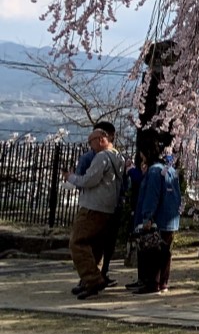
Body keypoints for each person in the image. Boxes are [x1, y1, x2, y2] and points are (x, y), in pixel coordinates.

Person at [65, 126, 125, 299]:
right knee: (95, 244)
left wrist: (71, 177)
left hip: (93, 207)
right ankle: (89, 280)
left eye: (91, 142)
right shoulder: (118, 157)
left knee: (77, 242)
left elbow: (89, 180)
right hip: (109, 208)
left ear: (101, 139)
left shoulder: (102, 157)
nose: (90, 146)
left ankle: (92, 279)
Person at [133, 143, 182, 294]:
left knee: (153, 250)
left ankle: (152, 284)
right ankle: (163, 283)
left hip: (158, 218)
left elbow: (152, 196)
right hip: (171, 218)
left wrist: (147, 216)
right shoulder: (170, 170)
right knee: (165, 252)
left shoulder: (154, 171)